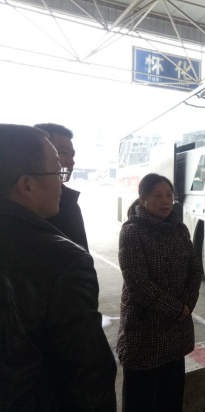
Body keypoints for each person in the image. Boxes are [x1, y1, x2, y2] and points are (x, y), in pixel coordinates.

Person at [0, 124, 117, 411]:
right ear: (27, 185)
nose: (62, 181)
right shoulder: (65, 261)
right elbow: (88, 378)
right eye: (56, 171)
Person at [117, 173, 203, 412]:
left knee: (171, 398)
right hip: (144, 331)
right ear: (143, 200)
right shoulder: (132, 231)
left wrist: (187, 305)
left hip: (176, 332)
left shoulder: (179, 229)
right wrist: (177, 309)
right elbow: (138, 283)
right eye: (157, 195)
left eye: (169, 195)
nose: (165, 201)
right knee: (140, 401)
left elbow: (195, 269)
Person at [35, 123, 89, 251]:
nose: (71, 161)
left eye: (72, 155)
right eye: (63, 153)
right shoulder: (30, 205)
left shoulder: (69, 201)